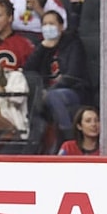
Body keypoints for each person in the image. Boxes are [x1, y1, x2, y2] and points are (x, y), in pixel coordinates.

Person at [24, 9, 89, 150]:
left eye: (52, 24)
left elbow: (73, 75)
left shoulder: (73, 44)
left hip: (73, 91)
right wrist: (42, 48)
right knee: (34, 101)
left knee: (53, 97)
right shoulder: (42, 46)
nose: (48, 27)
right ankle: (35, 145)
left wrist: (48, 92)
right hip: (44, 92)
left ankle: (69, 139)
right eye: (45, 24)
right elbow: (28, 70)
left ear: (61, 26)